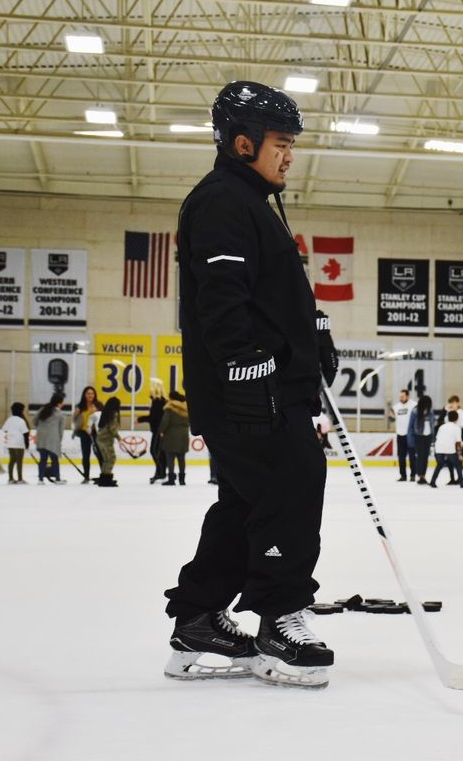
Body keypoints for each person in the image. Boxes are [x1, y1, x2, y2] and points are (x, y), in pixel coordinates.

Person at [163, 81, 339, 689]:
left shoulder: (253, 201)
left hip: (271, 386)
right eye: (280, 143)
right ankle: (278, 617)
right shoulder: (222, 203)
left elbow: (275, 294)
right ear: (243, 144)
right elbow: (222, 302)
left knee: (248, 502)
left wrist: (313, 329)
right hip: (252, 393)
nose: (289, 154)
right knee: (291, 487)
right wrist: (246, 370)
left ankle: (198, 619)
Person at [429, 410, 463, 489]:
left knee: (440, 464)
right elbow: (458, 443)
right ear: (457, 419)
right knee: (457, 464)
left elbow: (437, 438)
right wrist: (460, 455)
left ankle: (432, 481)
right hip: (450, 448)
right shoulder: (457, 428)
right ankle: (462, 483)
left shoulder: (442, 426)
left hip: (439, 447)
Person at [159, 391, 191, 486]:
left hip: (171, 435)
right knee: (182, 458)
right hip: (184, 435)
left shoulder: (170, 408)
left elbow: (165, 421)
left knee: (170, 458)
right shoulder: (187, 408)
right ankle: (182, 479)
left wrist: (161, 430)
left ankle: (171, 479)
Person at [140, 380, 169, 484]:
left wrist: (140, 419)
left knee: (154, 451)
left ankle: (161, 472)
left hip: (158, 430)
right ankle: (160, 472)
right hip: (159, 430)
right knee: (159, 452)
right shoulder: (161, 401)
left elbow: (154, 417)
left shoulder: (158, 401)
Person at [34, 393, 67, 484]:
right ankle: (57, 479)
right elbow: (61, 429)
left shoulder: (42, 409)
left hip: (41, 438)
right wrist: (59, 439)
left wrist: (41, 429)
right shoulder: (60, 413)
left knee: (43, 459)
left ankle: (40, 479)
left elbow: (34, 421)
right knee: (54, 460)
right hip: (53, 439)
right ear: (59, 403)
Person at [72, 386, 101, 483]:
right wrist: (76, 415)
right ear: (84, 395)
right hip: (84, 433)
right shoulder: (80, 407)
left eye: (92, 393)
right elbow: (74, 421)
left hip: (96, 433)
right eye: (88, 393)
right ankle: (86, 476)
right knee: (86, 455)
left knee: (99, 454)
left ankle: (104, 474)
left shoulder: (98, 405)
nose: (90, 395)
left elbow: (103, 417)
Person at [94, 396, 121, 487]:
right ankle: (106, 479)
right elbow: (112, 428)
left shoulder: (106, 412)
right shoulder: (114, 413)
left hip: (100, 438)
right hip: (106, 439)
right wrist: (119, 438)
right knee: (111, 458)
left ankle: (104, 479)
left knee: (106, 459)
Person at [407, 395, 434, 485]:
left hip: (428, 437)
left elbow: (432, 425)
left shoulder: (430, 412)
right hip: (418, 437)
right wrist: (410, 439)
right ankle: (420, 475)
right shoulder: (415, 411)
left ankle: (423, 475)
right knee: (420, 457)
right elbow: (410, 426)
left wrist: (433, 438)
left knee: (425, 457)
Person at [2, 402, 30, 485]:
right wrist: (27, 444)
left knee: (12, 460)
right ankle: (20, 479)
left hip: (10, 443)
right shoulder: (21, 421)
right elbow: (25, 433)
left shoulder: (9, 419)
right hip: (19, 444)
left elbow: (4, 429)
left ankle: (10, 478)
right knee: (19, 461)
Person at [390, 389, 413, 481]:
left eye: (403, 396)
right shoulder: (396, 407)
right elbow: (391, 419)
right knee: (401, 456)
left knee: (412, 456)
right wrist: (390, 417)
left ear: (407, 396)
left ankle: (413, 475)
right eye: (400, 397)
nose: (401, 398)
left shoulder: (413, 405)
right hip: (400, 434)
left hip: (410, 434)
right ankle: (403, 475)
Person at [448, 395, 463, 468]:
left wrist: (462, 440)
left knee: (459, 455)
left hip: (459, 436)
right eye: (451, 403)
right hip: (452, 437)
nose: (452, 405)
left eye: (453, 403)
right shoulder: (450, 412)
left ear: (458, 403)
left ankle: (460, 475)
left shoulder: (461, 413)